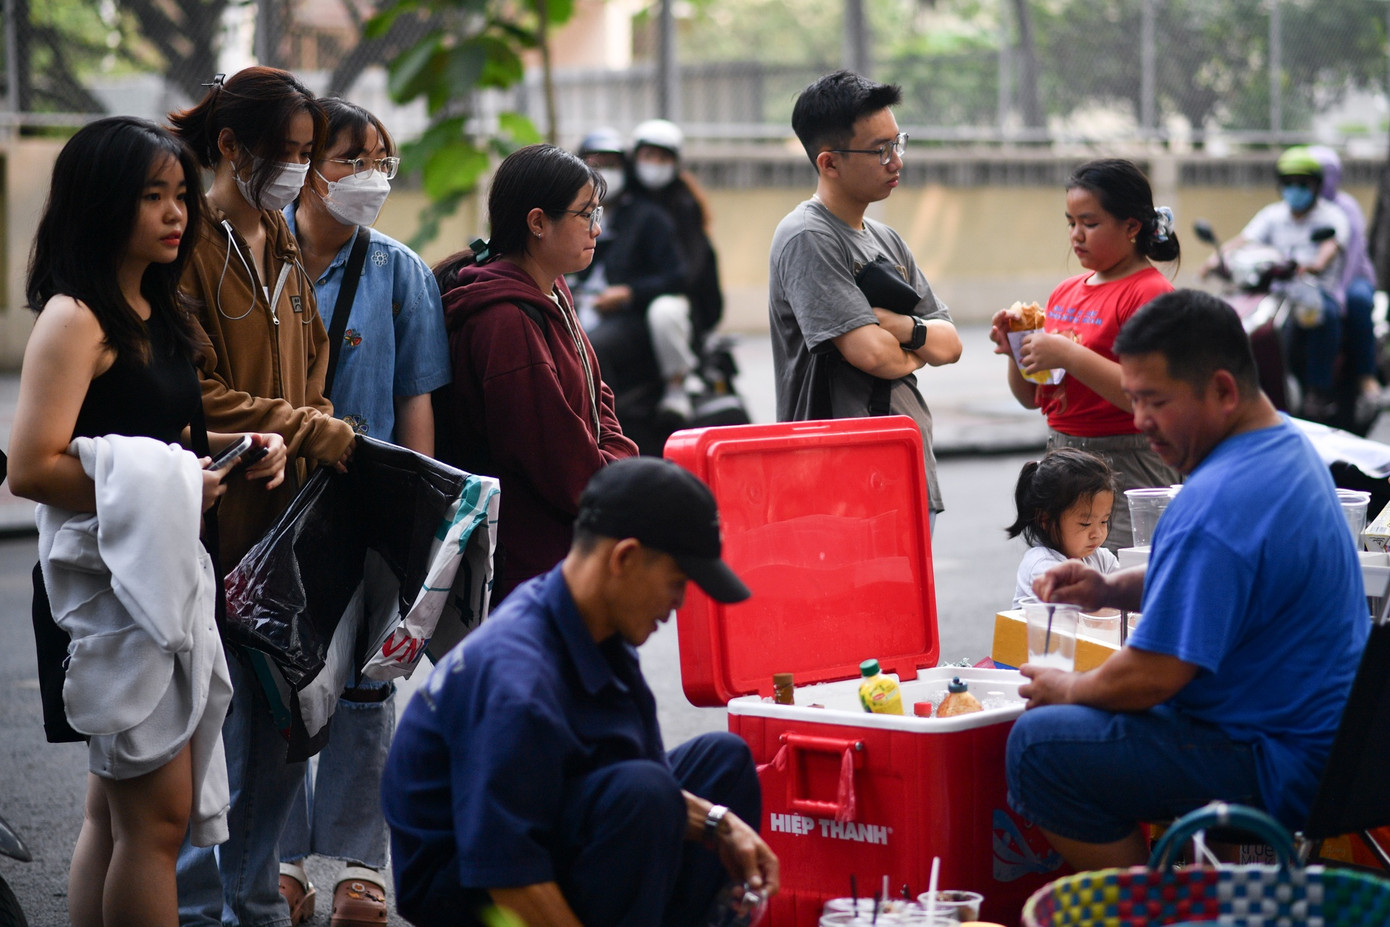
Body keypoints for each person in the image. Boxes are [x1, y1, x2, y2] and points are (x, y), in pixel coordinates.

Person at [10, 116, 286, 927]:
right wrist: (172, 487)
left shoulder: (156, 309)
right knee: (155, 823)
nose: (177, 214)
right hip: (106, 594)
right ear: (100, 205)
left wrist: (243, 444)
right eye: (151, 197)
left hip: (156, 575)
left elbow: (154, 440)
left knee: (117, 814)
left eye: (180, 196)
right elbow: (33, 465)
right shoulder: (77, 318)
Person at [1005, 289, 1368, 872]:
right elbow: (1221, 580)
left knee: (1039, 746)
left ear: (1223, 390)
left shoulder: (1220, 499)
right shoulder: (1287, 450)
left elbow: (1153, 673)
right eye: (1133, 399)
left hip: (1275, 755)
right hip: (1328, 742)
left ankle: (1150, 910)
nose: (1139, 421)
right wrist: (1109, 589)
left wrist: (1066, 688)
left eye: (1154, 401)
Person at [381, 457, 779, 927]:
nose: (679, 604)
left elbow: (627, 770)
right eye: (677, 583)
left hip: (544, 825)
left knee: (721, 762)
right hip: (483, 897)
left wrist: (719, 823)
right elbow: (507, 877)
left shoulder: (597, 625)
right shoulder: (517, 680)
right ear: (624, 558)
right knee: (644, 797)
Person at [168, 67, 358, 927]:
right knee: (208, 733)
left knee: (284, 725)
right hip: (213, 521)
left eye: (306, 153)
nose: (296, 168)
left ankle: (251, 899)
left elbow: (311, 363)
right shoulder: (188, 245)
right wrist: (314, 430)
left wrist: (314, 425)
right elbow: (191, 390)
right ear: (229, 146)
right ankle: (198, 905)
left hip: (286, 527)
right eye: (283, 152)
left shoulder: (281, 239)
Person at [277, 98, 452, 925]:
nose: (371, 177)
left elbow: (415, 402)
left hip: (370, 504)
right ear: (308, 162)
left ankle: (353, 862)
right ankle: (275, 854)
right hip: (271, 505)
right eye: (352, 159)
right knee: (276, 680)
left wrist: (414, 517)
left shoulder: (400, 271)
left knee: (364, 685)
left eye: (383, 160)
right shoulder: (255, 259)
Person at [433, 143, 639, 604]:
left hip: (564, 544)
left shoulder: (551, 288)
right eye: (585, 215)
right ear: (538, 222)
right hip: (528, 562)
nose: (597, 228)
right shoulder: (504, 320)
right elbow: (556, 456)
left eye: (597, 212)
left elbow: (596, 394)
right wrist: (616, 482)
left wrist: (615, 461)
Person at [769, 70, 962, 534]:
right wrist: (916, 342)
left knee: (906, 609)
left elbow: (951, 345)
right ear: (829, 163)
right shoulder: (808, 236)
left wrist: (899, 327)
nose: (896, 161)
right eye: (881, 150)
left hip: (906, 467)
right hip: (842, 483)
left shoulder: (886, 239)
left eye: (899, 143)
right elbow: (871, 356)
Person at [988, 158, 1182, 550]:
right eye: (1071, 223)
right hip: (1062, 458)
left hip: (1127, 464)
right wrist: (1015, 350)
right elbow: (1032, 397)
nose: (1076, 235)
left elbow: (1145, 395)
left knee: (1121, 586)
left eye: (1089, 223)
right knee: (1067, 584)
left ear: (1131, 226)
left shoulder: (1149, 294)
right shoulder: (1065, 291)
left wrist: (1066, 354)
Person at [1204, 146, 1349, 422]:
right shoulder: (1272, 215)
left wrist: (1316, 263)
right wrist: (1216, 259)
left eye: (1302, 183)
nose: (1295, 189)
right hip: (1271, 292)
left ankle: (1317, 392)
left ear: (1316, 186)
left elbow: (1331, 246)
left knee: (1325, 317)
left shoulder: (1331, 217)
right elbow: (1244, 240)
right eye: (1289, 183)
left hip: (1312, 292)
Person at [569, 127, 693, 424]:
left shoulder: (647, 217)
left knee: (593, 348)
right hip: (576, 308)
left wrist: (629, 293)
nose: (604, 173)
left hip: (627, 316)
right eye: (595, 165)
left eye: (611, 165)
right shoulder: (567, 215)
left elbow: (676, 275)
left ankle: (604, 426)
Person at [628, 119, 728, 404]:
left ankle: (678, 384)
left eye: (663, 157)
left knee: (664, 313)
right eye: (648, 156)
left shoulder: (684, 207)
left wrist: (633, 292)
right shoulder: (624, 203)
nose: (654, 164)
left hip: (681, 303)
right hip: (631, 302)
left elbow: (687, 274)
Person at [1309, 145, 1381, 419]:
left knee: (1358, 301)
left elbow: (1351, 258)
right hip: (1320, 282)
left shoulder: (1345, 207)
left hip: (1353, 278)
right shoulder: (1308, 208)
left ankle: (1366, 378)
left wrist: (1336, 293)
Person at [1006, 448, 1118, 608]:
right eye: (1085, 524)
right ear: (1045, 519)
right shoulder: (1042, 565)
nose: (1097, 534)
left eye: (1104, 521)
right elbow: (1074, 612)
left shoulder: (1100, 558)